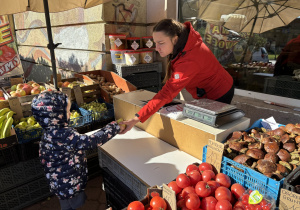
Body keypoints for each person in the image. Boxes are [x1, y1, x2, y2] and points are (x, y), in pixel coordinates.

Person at [120, 18, 234, 134]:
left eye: (161, 43)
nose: (156, 48)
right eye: (155, 42)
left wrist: (137, 118)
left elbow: (167, 93)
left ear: (175, 39)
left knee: (210, 129)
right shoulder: (184, 44)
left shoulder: (190, 59)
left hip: (220, 91)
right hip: (205, 89)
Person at [31, 91, 124, 210]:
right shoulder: (64, 134)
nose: (70, 113)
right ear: (57, 116)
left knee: (68, 204)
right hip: (69, 184)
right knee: (71, 206)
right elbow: (91, 141)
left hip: (59, 183)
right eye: (67, 111)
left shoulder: (48, 133)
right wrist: (114, 127)